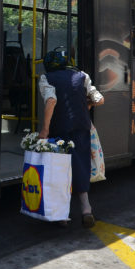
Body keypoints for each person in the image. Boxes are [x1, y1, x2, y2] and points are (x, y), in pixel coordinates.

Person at [38, 47, 104, 228]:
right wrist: (85, 105)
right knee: (80, 165)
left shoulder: (46, 78)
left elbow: (51, 100)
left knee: (60, 170)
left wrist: (44, 130)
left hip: (59, 129)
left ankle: (62, 215)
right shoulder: (82, 76)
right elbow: (99, 99)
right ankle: (86, 210)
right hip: (81, 127)